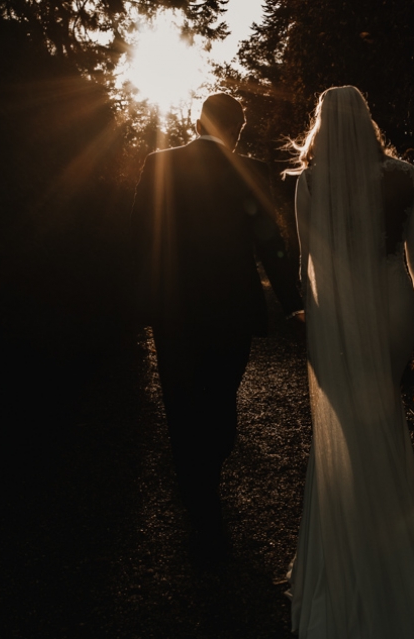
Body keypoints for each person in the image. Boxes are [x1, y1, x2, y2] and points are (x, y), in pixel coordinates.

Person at [285, 86, 414, 638]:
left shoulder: (309, 182)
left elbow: (306, 265)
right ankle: (389, 545)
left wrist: (317, 321)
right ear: (368, 121)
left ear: (323, 125)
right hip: (395, 310)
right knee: (383, 418)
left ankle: (349, 554)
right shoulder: (405, 175)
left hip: (341, 314)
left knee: (348, 426)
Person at [129, 93, 304, 563]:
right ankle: (206, 481)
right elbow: (272, 244)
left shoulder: (158, 162)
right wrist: (294, 305)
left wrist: (135, 300)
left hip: (174, 308)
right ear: (239, 128)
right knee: (221, 394)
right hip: (231, 309)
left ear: (197, 121)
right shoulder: (249, 169)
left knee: (179, 399)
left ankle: (196, 489)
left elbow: (137, 236)